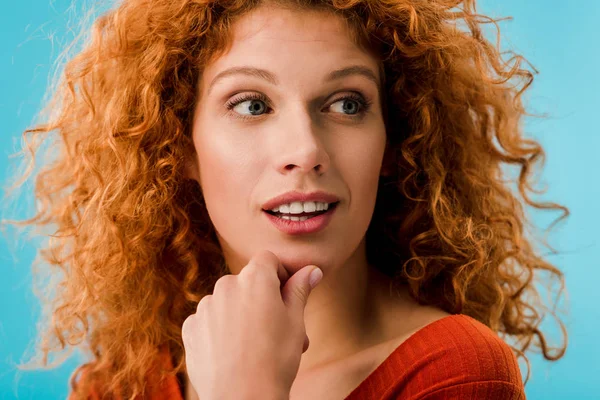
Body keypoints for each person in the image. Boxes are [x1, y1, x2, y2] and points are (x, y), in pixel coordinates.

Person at [5, 0, 569, 399]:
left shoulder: (456, 373)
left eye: (347, 103)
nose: (304, 150)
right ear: (180, 149)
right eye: (251, 105)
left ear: (395, 144)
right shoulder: (124, 384)